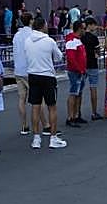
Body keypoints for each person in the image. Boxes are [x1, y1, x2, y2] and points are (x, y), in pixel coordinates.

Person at [25, 17, 67, 149]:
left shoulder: (27, 41)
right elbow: (59, 57)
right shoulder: (49, 41)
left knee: (35, 106)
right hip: (47, 75)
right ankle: (53, 137)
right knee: (52, 106)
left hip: (33, 74)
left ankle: (36, 138)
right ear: (43, 26)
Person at [11, 12, 34, 134]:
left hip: (18, 69)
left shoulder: (17, 35)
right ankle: (43, 125)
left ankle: (24, 126)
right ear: (31, 21)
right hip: (30, 70)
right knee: (37, 99)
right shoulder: (32, 35)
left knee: (22, 98)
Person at [64, 20, 87, 127]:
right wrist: (79, 69)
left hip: (80, 71)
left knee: (78, 93)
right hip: (75, 71)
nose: (85, 30)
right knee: (74, 93)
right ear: (79, 29)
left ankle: (76, 115)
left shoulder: (77, 40)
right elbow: (71, 58)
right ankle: (71, 116)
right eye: (83, 28)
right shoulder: (72, 40)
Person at [81, 17, 103, 120]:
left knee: (79, 89)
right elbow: (98, 52)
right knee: (93, 88)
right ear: (89, 25)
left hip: (82, 65)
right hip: (93, 64)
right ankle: (94, 112)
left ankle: (77, 112)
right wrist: (95, 55)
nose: (95, 27)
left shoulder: (81, 37)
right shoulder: (94, 38)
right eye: (94, 24)